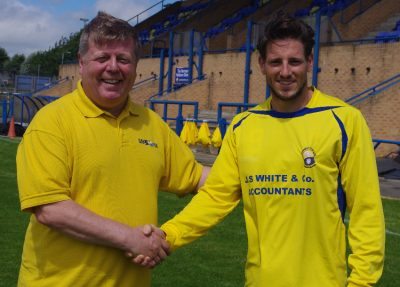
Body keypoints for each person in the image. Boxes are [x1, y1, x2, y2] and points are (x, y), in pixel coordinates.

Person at [155, 11, 385, 287]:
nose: (285, 71)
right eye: (276, 62)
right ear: (262, 65)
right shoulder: (244, 127)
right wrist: (168, 235)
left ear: (310, 62)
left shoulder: (345, 121)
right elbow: (215, 197)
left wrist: (362, 282)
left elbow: (366, 210)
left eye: (295, 61)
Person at [16, 11, 208, 287]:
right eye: (102, 58)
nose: (113, 67)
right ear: (81, 64)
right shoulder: (52, 122)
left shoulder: (151, 124)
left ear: (136, 66)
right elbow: (50, 208)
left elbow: (196, 176)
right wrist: (130, 239)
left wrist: (252, 175)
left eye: (123, 59)